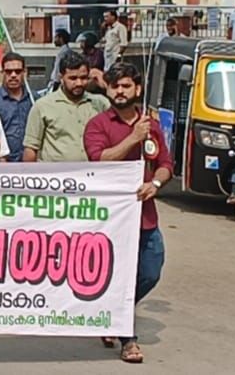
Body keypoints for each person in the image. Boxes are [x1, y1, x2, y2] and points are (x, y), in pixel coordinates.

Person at [84, 62, 171, 364]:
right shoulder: (98, 124)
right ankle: (128, 339)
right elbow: (99, 159)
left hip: (145, 216)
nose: (120, 91)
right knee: (119, 275)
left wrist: (155, 183)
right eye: (114, 86)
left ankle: (111, 311)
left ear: (138, 89)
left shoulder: (151, 125)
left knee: (151, 270)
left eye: (125, 86)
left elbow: (165, 164)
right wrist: (133, 138)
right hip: (112, 219)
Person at [23, 51, 109, 162]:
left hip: (93, 171)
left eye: (83, 78)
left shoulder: (101, 103)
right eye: (73, 78)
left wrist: (106, 85)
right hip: (56, 172)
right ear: (61, 77)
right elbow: (31, 149)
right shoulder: (42, 106)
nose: (79, 83)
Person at [0, 52, 32, 162]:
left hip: (30, 163)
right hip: (3, 161)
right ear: (2, 73)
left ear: (24, 72)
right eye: (9, 72)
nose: (13, 75)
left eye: (18, 71)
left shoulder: (34, 99)